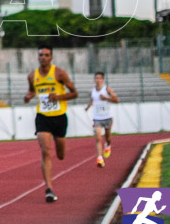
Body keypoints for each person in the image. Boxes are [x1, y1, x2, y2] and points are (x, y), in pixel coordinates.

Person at [23, 45, 77, 203]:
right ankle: (49, 189)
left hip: (59, 117)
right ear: (38, 57)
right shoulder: (32, 75)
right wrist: (28, 96)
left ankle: (60, 150)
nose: (43, 57)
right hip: (43, 117)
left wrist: (59, 97)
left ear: (51, 57)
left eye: (46, 55)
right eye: (41, 55)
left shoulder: (59, 73)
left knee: (60, 155)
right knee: (45, 151)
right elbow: (32, 91)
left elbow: (75, 93)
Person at [84, 71, 119, 167]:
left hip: (107, 117)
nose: (98, 80)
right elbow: (92, 100)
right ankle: (99, 158)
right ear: (94, 80)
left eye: (100, 78)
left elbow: (116, 100)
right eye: (96, 78)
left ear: (102, 80)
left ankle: (108, 145)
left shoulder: (107, 89)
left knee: (107, 137)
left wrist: (106, 98)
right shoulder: (93, 91)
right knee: (98, 137)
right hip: (97, 118)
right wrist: (87, 107)